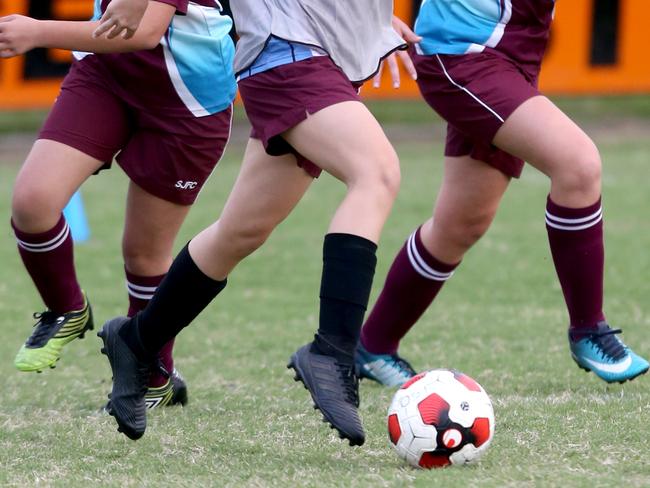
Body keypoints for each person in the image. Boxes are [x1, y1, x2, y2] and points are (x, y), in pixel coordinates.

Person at [97, 0, 419, 446]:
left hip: (320, 54)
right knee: (376, 173)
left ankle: (136, 341)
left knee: (240, 231)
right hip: (288, 51)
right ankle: (333, 351)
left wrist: (372, 20)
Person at [355, 0, 649, 387]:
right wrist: (374, 11)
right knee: (578, 165)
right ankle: (589, 330)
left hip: (514, 56)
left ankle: (372, 347)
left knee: (460, 225)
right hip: (463, 54)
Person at [0, 0, 236, 407]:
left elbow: (143, 31)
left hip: (186, 103)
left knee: (145, 256)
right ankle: (66, 309)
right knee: (32, 202)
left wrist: (37, 32)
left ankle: (153, 373)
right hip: (106, 74)